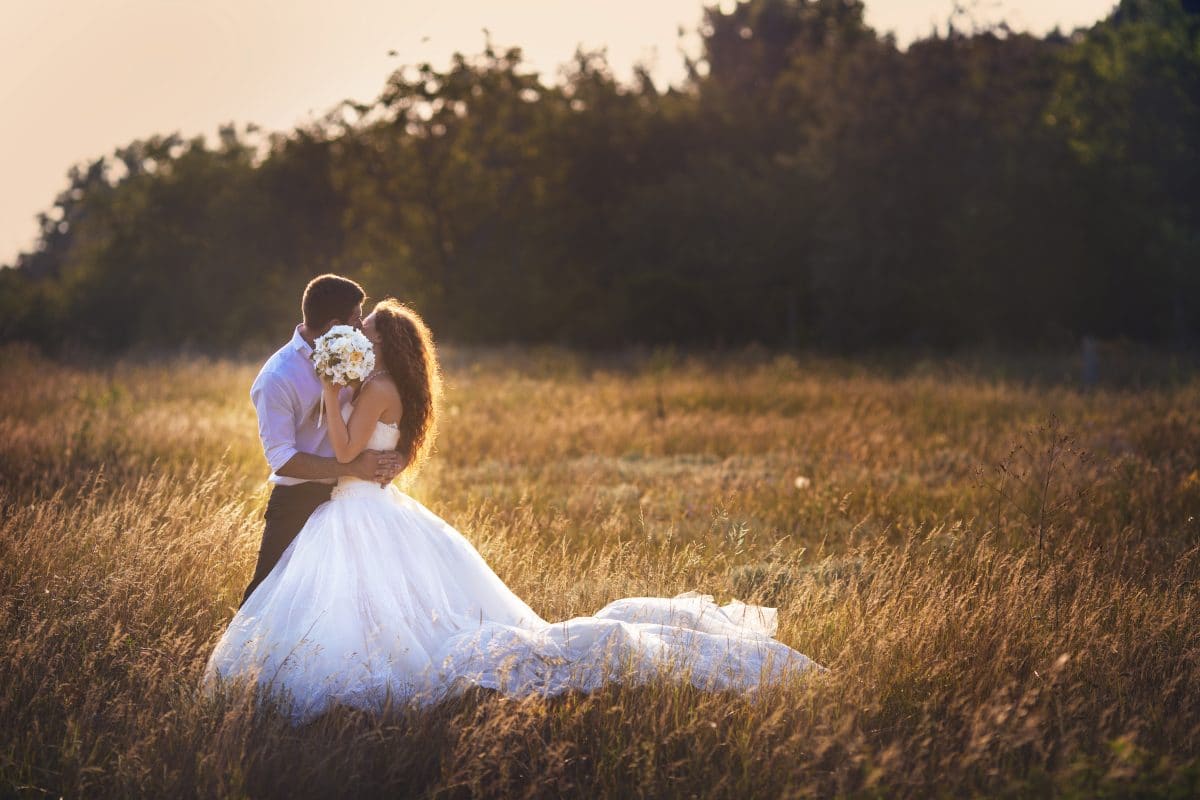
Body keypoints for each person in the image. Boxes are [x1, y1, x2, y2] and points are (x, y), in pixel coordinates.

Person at [206, 298, 821, 722]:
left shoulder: (374, 391)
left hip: (357, 504)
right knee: (384, 603)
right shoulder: (394, 389)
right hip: (366, 503)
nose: (358, 339)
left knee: (370, 604)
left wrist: (339, 389)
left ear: (384, 344)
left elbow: (344, 450)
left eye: (366, 334)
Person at [240, 274, 403, 607]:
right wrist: (353, 466)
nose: (362, 325)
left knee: (351, 602)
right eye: (357, 318)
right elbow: (282, 458)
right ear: (334, 325)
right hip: (298, 499)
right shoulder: (278, 377)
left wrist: (401, 457)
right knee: (266, 596)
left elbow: (396, 414)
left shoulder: (361, 357)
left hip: (354, 500)